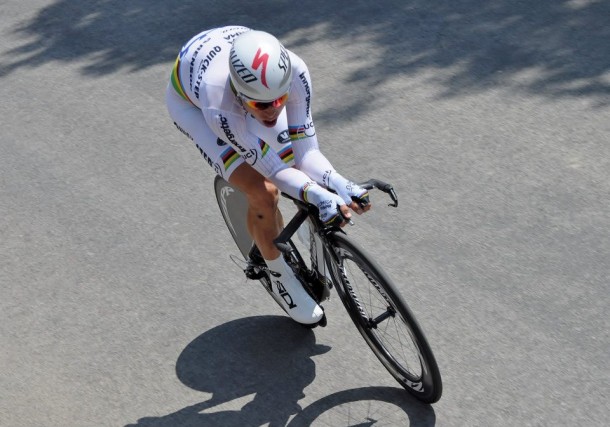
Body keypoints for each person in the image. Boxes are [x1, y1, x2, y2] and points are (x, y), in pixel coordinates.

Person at [166, 26, 371, 325]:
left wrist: (338, 182)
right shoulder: (220, 106)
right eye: (262, 105)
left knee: (293, 157)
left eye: (280, 99)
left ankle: (304, 209)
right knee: (264, 193)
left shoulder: (296, 71)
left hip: (236, 65)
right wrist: (317, 194)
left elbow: (307, 154)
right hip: (192, 104)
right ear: (240, 94)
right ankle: (279, 276)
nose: (274, 110)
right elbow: (272, 170)